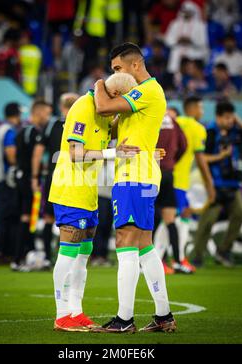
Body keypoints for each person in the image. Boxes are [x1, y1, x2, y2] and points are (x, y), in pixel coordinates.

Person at [93, 42, 176, 333]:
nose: (114, 74)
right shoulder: (139, 96)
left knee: (125, 242)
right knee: (143, 245)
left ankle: (124, 320)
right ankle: (164, 316)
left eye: (117, 69)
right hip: (142, 173)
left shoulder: (147, 90)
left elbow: (101, 106)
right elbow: (123, 130)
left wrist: (100, 83)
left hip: (133, 176)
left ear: (135, 66)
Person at [48, 72, 139, 332]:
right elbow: (76, 154)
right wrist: (114, 153)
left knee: (83, 256)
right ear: (116, 96)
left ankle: (76, 311)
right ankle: (61, 313)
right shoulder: (82, 108)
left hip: (89, 193)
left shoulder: (103, 112)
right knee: (69, 252)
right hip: (70, 191)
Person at [192, 101, 242, 267]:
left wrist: (238, 120)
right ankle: (196, 257)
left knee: (241, 213)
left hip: (233, 184)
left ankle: (223, 250)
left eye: (231, 117)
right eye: (227, 118)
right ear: (218, 117)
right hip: (215, 184)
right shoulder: (210, 132)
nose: (230, 121)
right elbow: (201, 158)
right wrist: (220, 156)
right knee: (207, 222)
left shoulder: (234, 130)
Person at [32, 93, 80, 266]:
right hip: (76, 180)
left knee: (48, 218)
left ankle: (46, 257)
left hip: (54, 179)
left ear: (61, 107)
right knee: (72, 220)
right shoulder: (80, 124)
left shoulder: (52, 125)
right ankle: (69, 258)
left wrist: (35, 176)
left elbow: (38, 153)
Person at [173, 96, 216, 270]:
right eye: (201, 107)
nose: (202, 111)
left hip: (163, 176)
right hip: (180, 181)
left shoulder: (174, 121)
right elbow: (200, 159)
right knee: (175, 218)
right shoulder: (198, 128)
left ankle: (177, 258)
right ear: (192, 108)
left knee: (176, 217)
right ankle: (173, 258)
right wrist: (209, 184)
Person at [11, 100, 52, 271]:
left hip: (20, 176)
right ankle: (20, 258)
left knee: (24, 217)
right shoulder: (34, 132)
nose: (48, 117)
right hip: (28, 179)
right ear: (39, 112)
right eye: (47, 113)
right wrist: (36, 176)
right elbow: (35, 157)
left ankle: (22, 256)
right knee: (28, 218)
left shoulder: (21, 131)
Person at [154, 111, 189, 274]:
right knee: (170, 219)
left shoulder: (148, 115)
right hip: (167, 173)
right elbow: (184, 146)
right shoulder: (173, 122)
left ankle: (150, 261)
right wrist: (171, 161)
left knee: (148, 218)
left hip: (151, 172)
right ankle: (177, 261)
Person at [0, 102, 21, 261]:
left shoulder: (0, 129)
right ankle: (3, 252)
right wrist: (19, 165)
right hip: (5, 179)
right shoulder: (9, 130)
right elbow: (10, 154)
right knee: (7, 216)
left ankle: (0, 251)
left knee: (3, 216)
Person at [165, 1, 208, 74]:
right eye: (185, 11)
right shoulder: (174, 24)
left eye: (189, 11)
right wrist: (177, 40)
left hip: (193, 51)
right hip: (178, 50)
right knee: (175, 55)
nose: (186, 13)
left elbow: (203, 42)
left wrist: (191, 41)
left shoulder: (200, 25)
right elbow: (168, 40)